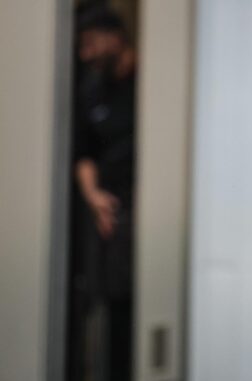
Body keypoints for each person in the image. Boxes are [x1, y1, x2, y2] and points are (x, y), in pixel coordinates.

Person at [70, 5, 136, 381]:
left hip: (146, 207)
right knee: (108, 304)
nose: (87, 54)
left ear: (116, 37)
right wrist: (93, 196)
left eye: (92, 43)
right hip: (108, 211)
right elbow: (84, 154)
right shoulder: (91, 90)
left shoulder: (152, 82)